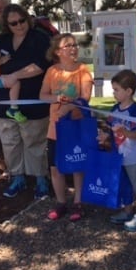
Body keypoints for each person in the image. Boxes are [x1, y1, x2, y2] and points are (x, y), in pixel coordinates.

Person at [0, 3, 52, 200]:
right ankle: (17, 177)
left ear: (27, 18)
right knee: (10, 142)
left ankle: (40, 178)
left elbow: (40, 65)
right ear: (6, 24)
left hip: (32, 100)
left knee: (34, 141)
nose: (19, 25)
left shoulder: (40, 38)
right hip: (3, 100)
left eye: (22, 21)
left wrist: (15, 76)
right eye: (13, 23)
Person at [39, 33, 93, 222]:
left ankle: (78, 202)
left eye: (75, 45)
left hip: (76, 126)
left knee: (77, 165)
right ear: (57, 51)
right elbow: (43, 95)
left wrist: (69, 107)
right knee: (55, 168)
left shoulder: (83, 70)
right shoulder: (52, 71)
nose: (73, 48)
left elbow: (85, 97)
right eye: (68, 45)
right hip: (55, 128)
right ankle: (61, 202)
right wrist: (56, 99)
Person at [99, 69, 136, 231]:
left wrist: (123, 132)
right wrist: (104, 136)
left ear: (129, 91)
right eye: (113, 89)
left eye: (116, 90)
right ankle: (128, 211)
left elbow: (135, 134)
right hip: (119, 157)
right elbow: (108, 127)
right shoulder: (115, 108)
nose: (113, 93)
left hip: (135, 157)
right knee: (125, 184)